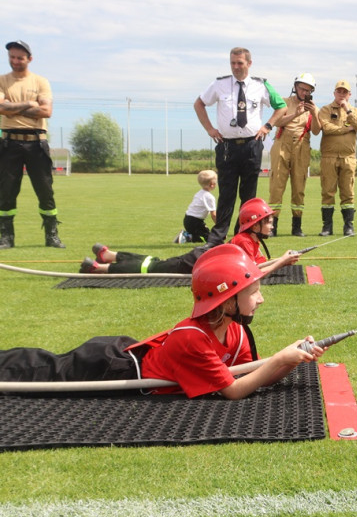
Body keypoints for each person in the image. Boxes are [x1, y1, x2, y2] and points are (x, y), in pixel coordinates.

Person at [0, 244, 324, 399]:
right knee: (38, 368)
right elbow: (234, 391)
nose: (262, 298)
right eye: (254, 292)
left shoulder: (235, 332)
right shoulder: (192, 338)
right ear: (227, 301)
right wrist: (281, 357)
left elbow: (253, 376)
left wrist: (293, 359)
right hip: (108, 366)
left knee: (39, 366)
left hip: (126, 352)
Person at [194, 47, 286, 245]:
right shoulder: (219, 84)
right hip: (226, 145)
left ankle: (242, 235)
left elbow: (281, 106)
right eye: (233, 63)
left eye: (240, 63)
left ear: (249, 64)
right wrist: (210, 129)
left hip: (252, 145)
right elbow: (199, 104)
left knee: (248, 194)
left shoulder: (261, 85)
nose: (236, 67)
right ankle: (218, 237)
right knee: (226, 193)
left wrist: (268, 126)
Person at [81, 198, 300, 277]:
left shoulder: (250, 241)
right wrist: (281, 260)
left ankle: (109, 255)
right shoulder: (244, 242)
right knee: (153, 269)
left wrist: (283, 261)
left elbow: (260, 265)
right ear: (255, 223)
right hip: (196, 262)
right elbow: (254, 273)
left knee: (156, 263)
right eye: (268, 221)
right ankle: (100, 268)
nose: (272, 225)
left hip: (202, 258)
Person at [0, 40, 64, 249]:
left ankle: (51, 235)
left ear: (29, 59)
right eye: (12, 57)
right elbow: (1, 107)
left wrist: (11, 108)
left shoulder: (40, 82)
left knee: (45, 190)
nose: (15, 61)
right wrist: (29, 104)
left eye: (19, 57)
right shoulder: (2, 80)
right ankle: (6, 237)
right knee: (6, 191)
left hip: (36, 143)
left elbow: (46, 111)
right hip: (9, 143)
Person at [268, 73, 321, 237]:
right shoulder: (284, 102)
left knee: (299, 187)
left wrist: (315, 114)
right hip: (282, 144)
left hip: (301, 145)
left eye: (308, 90)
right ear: (295, 87)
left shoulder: (313, 107)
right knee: (277, 185)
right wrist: (297, 114)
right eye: (302, 88)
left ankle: (296, 226)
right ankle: (272, 226)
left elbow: (316, 131)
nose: (304, 92)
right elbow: (277, 122)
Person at [318, 80, 357, 236]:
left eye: (345, 92)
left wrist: (348, 110)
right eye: (339, 91)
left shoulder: (355, 111)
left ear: (349, 95)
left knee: (348, 192)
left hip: (348, 158)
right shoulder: (325, 109)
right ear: (334, 93)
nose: (342, 94)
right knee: (327, 192)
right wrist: (346, 129)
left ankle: (348, 226)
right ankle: (327, 227)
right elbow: (326, 128)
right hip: (329, 157)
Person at [176, 170, 218, 243]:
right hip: (195, 222)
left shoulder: (199, 193)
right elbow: (214, 215)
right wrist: (220, 228)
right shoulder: (209, 197)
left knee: (199, 239)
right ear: (212, 184)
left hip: (187, 219)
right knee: (211, 239)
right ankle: (186, 236)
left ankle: (188, 236)